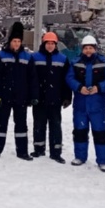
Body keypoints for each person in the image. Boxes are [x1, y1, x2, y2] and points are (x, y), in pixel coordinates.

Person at [0, 22, 38, 161]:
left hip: (21, 97)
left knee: (21, 125)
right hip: (4, 96)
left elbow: (32, 78)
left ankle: (22, 151)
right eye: (14, 41)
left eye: (18, 41)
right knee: (0, 124)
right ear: (10, 41)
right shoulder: (0, 56)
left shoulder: (27, 57)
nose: (16, 44)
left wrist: (33, 95)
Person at [65, 35, 105, 171]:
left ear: (95, 49)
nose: (88, 51)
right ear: (82, 49)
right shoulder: (75, 62)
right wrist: (78, 87)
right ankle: (80, 156)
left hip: (98, 105)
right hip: (80, 105)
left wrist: (99, 87)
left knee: (100, 133)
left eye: (90, 48)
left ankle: (103, 160)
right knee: (80, 131)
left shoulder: (103, 61)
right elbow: (69, 78)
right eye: (86, 48)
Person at [30, 31, 72, 163]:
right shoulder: (35, 57)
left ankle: (56, 152)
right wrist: (32, 95)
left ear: (56, 44)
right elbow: (31, 79)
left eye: (52, 43)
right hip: (39, 98)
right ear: (43, 44)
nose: (50, 46)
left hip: (55, 98)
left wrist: (67, 97)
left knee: (55, 125)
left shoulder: (63, 59)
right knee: (39, 124)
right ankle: (38, 149)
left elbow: (66, 80)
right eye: (47, 43)